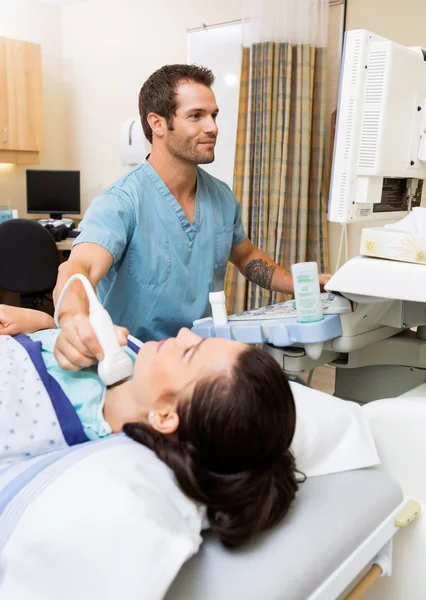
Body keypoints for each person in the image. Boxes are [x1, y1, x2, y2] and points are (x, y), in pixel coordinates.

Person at [53, 63, 331, 373]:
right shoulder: (121, 202)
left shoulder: (221, 197)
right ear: (157, 124)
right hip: (135, 365)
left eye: (213, 115)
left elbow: (246, 256)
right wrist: (73, 321)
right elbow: (78, 269)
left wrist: (303, 285)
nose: (212, 127)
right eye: (196, 116)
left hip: (195, 358)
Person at [0, 304, 299, 548]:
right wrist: (38, 322)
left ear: (166, 416)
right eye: (199, 340)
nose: (183, 333)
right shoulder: (129, 350)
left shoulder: (47, 427)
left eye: (188, 352)